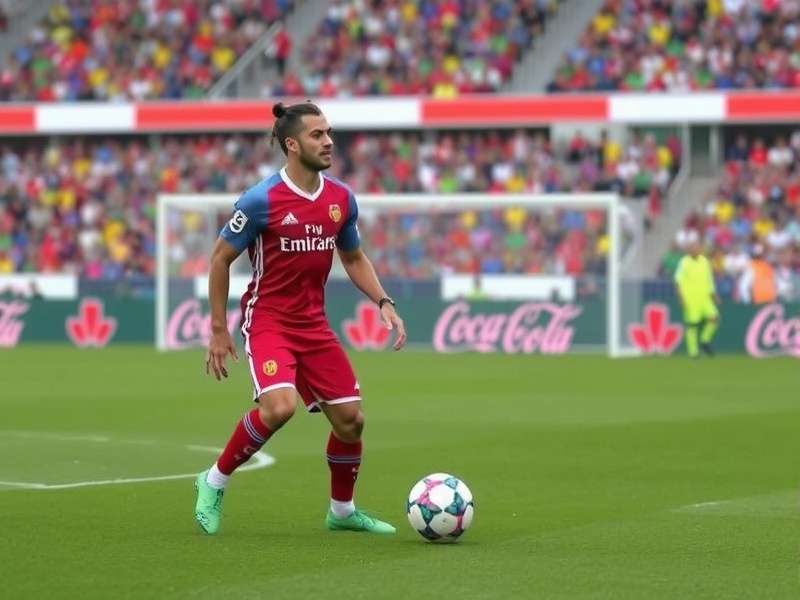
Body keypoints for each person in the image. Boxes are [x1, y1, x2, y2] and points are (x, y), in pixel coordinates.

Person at [194, 101, 407, 536]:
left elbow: (353, 256)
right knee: (280, 406)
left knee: (352, 421)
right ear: (291, 145)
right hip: (269, 320)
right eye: (317, 135)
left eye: (329, 132)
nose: (328, 141)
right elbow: (219, 260)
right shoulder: (260, 200)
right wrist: (218, 330)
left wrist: (383, 301)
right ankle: (213, 480)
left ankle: (342, 512)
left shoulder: (340, 199)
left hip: (313, 325)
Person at [674, 232, 720, 358]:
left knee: (714, 318)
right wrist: (680, 297)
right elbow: (677, 280)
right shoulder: (684, 262)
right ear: (689, 250)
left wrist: (714, 295)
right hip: (690, 299)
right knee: (692, 325)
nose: (696, 249)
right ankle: (693, 352)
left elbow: (709, 280)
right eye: (693, 247)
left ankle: (705, 340)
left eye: (697, 247)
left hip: (705, 298)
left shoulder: (705, 261)